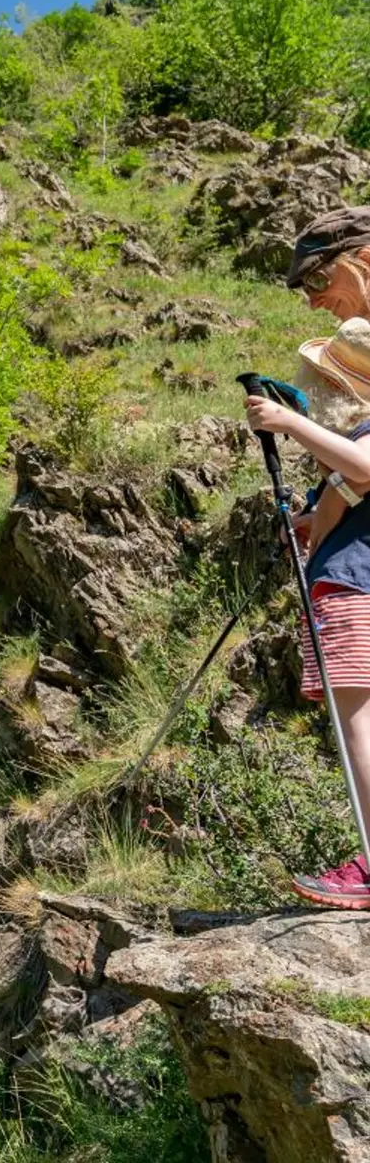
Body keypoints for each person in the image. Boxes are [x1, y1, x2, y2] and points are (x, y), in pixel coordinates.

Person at [240, 205, 370, 907]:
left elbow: (363, 468)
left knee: (360, 720)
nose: (313, 298)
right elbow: (351, 481)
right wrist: (313, 513)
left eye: (319, 277)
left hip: (358, 579)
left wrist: (290, 423)